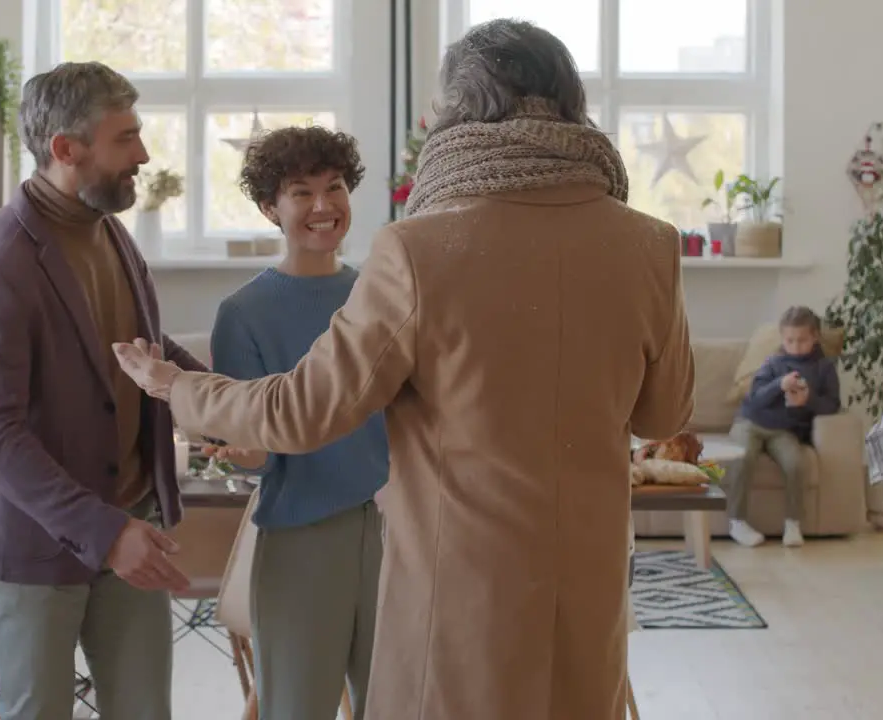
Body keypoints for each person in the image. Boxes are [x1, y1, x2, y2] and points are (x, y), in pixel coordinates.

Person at [111, 19, 695, 720]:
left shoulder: (419, 249)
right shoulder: (648, 244)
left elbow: (302, 412)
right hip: (590, 593)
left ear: (458, 115)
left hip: (460, 602)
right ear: (571, 105)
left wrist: (178, 386)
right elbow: (665, 416)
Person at [0, 61, 207, 720]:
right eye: (126, 138)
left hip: (132, 519)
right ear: (66, 149)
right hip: (37, 544)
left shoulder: (109, 228)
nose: (143, 154)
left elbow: (144, 353)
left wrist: (225, 404)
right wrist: (105, 531)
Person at [207, 126, 387, 720]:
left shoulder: (382, 297)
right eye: (300, 192)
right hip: (302, 538)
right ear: (269, 208)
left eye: (334, 187)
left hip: (397, 532)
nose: (322, 206)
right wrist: (246, 453)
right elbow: (255, 446)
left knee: (398, 703)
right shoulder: (242, 315)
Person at [728, 305, 841, 548]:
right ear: (782, 338)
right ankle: (737, 522)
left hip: (784, 431)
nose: (796, 345)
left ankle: (793, 524)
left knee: (795, 463)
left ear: (815, 337)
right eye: (790, 340)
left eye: (802, 340)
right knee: (742, 457)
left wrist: (808, 400)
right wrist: (779, 385)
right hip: (751, 422)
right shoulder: (774, 362)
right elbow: (755, 396)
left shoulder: (824, 368)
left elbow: (832, 405)